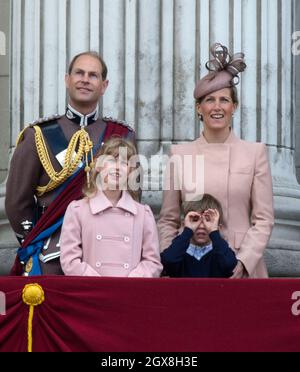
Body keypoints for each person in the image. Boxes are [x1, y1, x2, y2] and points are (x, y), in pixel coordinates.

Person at [5, 51, 136, 276]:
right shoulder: (39, 135)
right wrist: (33, 240)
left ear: (103, 85)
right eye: (79, 73)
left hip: (107, 250)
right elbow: (18, 201)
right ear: (67, 80)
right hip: (51, 251)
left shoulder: (122, 135)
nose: (85, 79)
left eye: (93, 75)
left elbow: (132, 196)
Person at [158, 43, 274, 278]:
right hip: (190, 268)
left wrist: (243, 262)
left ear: (235, 107)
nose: (217, 107)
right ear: (199, 108)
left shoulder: (255, 153)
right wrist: (169, 260)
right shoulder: (179, 155)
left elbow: (263, 219)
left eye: (224, 100)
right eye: (210, 100)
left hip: (240, 267)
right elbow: (168, 219)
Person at [60, 137, 162, 277]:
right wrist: (98, 283)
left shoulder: (143, 214)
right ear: (98, 165)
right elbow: (69, 261)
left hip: (128, 293)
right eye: (112, 160)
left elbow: (152, 262)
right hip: (92, 292)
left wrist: (133, 280)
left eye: (125, 163)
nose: (118, 167)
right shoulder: (78, 210)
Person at [161, 194, 237, 278]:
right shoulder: (179, 252)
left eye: (208, 220)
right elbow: (168, 260)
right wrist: (187, 231)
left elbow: (229, 264)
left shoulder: (220, 252)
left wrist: (214, 233)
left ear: (218, 227)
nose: (201, 226)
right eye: (195, 220)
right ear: (185, 224)